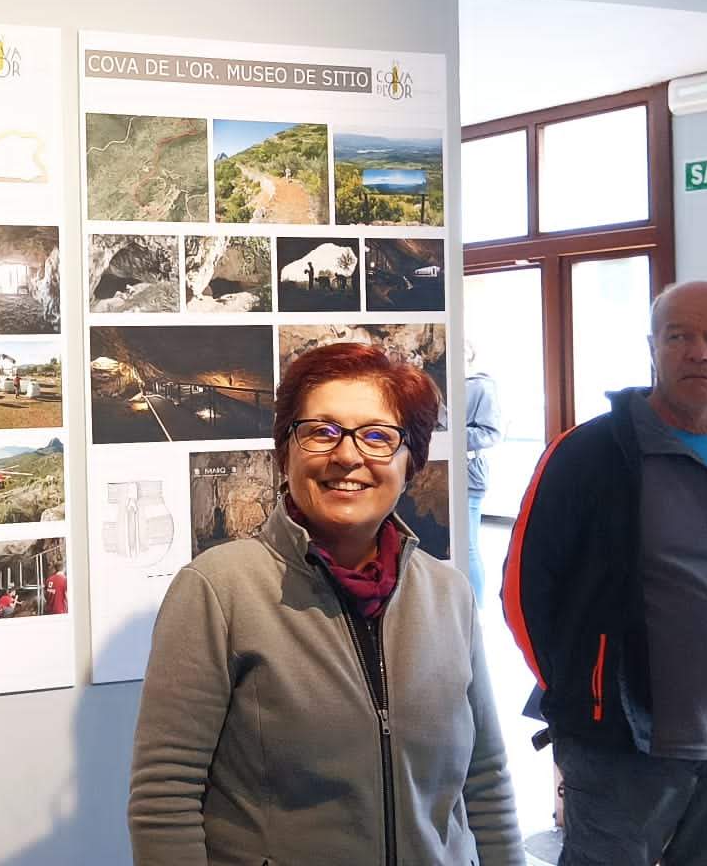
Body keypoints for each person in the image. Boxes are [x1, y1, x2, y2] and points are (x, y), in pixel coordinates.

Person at [130, 342, 521, 865]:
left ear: (410, 462)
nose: (348, 455)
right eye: (322, 431)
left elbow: (486, 779)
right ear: (285, 452)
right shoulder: (218, 590)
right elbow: (164, 799)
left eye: (378, 436)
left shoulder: (448, 595)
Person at [503, 281, 707, 866]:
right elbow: (524, 590)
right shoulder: (589, 452)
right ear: (652, 347)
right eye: (679, 337)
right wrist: (582, 693)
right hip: (622, 749)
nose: (700, 352)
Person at [464, 342, 502, 606]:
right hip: (436, 474)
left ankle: (476, 610)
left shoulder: (481, 385)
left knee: (468, 546)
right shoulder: (435, 383)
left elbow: (491, 433)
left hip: (468, 473)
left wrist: (451, 434)